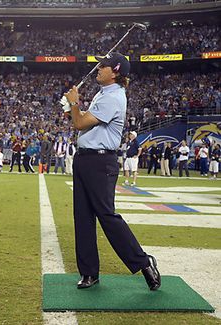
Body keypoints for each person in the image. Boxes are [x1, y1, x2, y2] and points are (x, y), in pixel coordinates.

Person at [64, 52, 160, 291]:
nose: (98, 67)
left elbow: (80, 123)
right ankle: (89, 273)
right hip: (86, 159)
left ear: (115, 71)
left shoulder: (114, 97)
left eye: (103, 64)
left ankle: (143, 261)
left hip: (100, 162)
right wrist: (70, 108)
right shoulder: (104, 93)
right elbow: (81, 120)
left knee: (106, 216)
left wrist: (75, 103)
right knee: (83, 218)